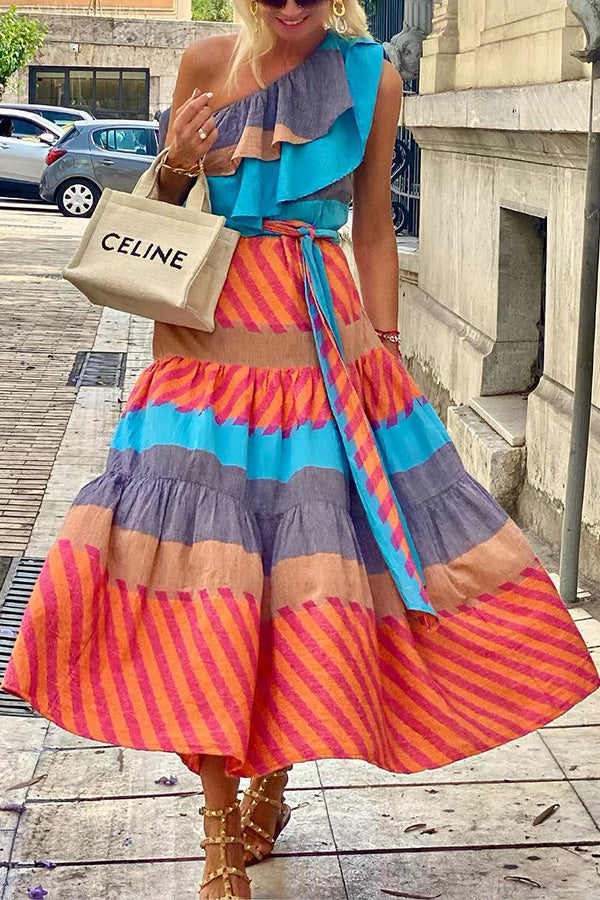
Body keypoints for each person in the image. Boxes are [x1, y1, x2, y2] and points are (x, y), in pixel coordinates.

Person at [3, 2, 599, 899]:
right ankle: (216, 839)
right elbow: (159, 215)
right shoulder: (205, 62)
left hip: (323, 341)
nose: (291, 6)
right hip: (206, 344)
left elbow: (373, 225)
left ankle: (273, 786)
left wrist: (385, 351)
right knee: (204, 577)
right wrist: (178, 159)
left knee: (303, 570)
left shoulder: (372, 75)